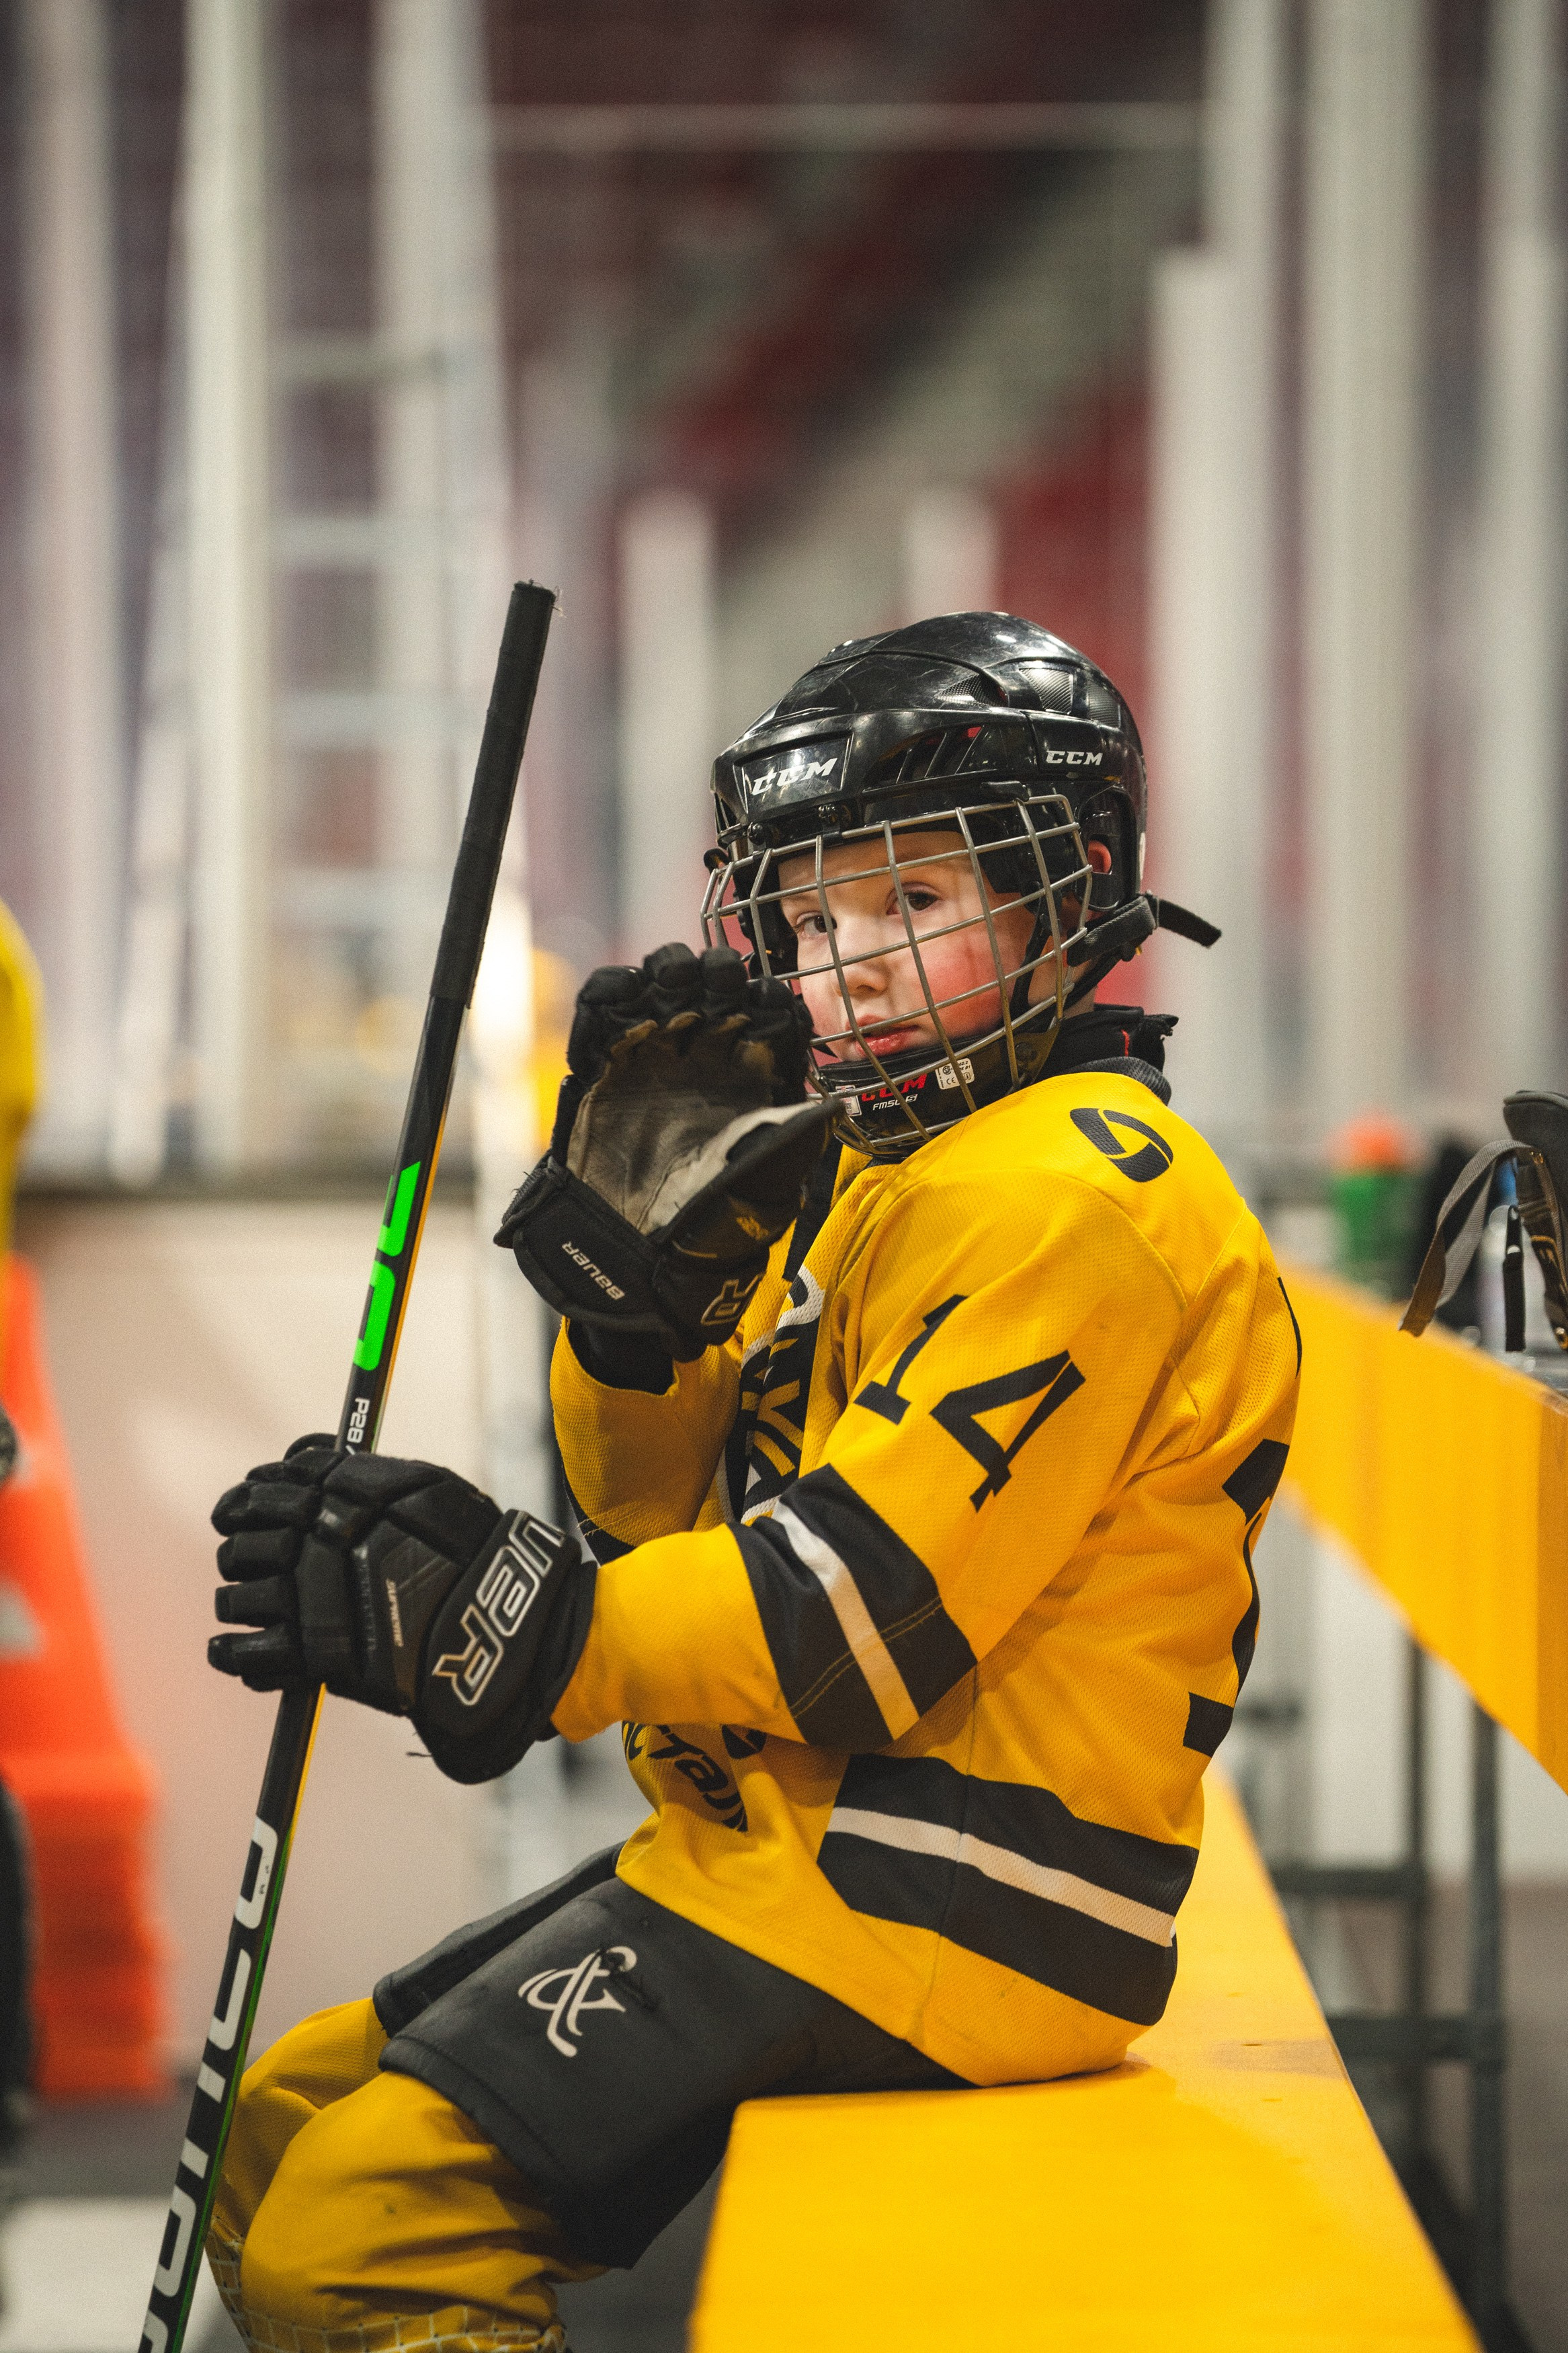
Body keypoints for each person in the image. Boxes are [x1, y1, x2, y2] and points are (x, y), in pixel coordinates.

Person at [204, 614, 1301, 2353]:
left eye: (912, 902)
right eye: (808, 915)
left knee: (352, 2240)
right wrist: (636, 1337)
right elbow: (657, 1513)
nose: (845, 960)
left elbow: (854, 1615)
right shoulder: (889, 1165)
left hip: (946, 1896)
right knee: (277, 2130)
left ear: (1069, 890)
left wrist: (524, 1631)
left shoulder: (1081, 1198)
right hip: (779, 1846)